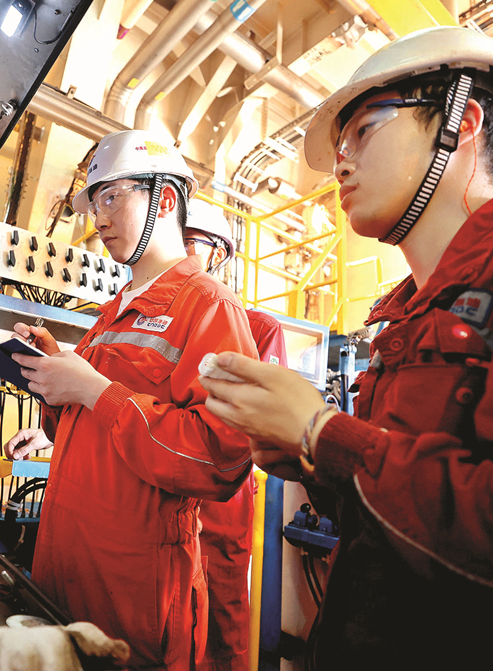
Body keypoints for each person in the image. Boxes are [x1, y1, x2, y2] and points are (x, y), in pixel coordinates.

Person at [199, 26, 493, 664]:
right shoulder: (404, 315)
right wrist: (313, 462)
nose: (339, 164)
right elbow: (417, 525)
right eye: (339, 145)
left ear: (461, 122)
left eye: (364, 129)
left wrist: (324, 434)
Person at [3, 130, 259, 670]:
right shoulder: (113, 311)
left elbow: (220, 458)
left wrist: (94, 389)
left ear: (164, 200)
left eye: (112, 197)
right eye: (95, 203)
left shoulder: (209, 307)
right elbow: (86, 428)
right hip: (65, 563)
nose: (99, 218)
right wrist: (54, 374)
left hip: (134, 590)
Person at [185, 198, 287, 671]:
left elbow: (255, 421)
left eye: (191, 242)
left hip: (220, 501)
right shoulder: (154, 322)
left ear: (218, 253)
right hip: (158, 493)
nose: (180, 251)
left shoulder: (258, 328)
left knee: (220, 619)